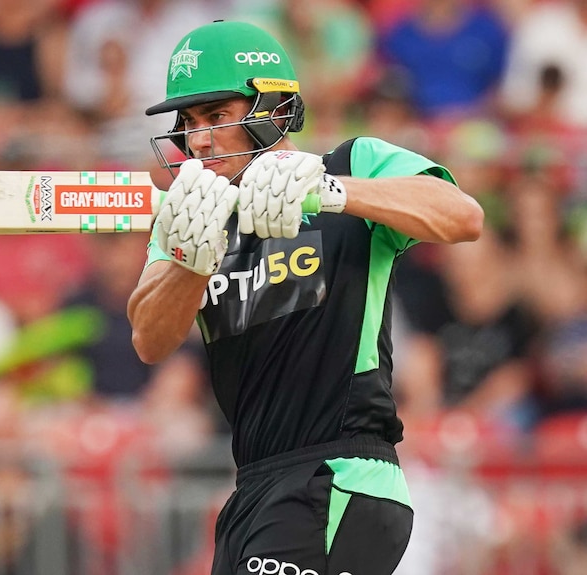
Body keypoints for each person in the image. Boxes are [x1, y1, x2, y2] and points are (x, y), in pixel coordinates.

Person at [127, 20, 484, 574]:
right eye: (189, 122)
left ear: (273, 109)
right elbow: (150, 339)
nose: (198, 139)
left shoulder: (351, 163)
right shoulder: (188, 217)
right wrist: (189, 261)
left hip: (340, 476)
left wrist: (330, 191)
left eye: (216, 117)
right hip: (252, 490)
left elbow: (463, 215)